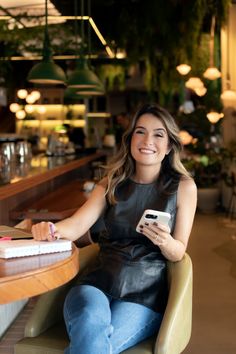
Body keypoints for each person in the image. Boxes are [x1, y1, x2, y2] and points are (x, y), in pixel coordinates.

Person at [31, 103, 197, 354]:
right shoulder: (111, 182)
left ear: (169, 146)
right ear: (130, 139)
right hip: (96, 283)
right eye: (140, 132)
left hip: (145, 295)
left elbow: (178, 252)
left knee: (95, 347)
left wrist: (165, 241)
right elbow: (76, 226)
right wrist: (49, 229)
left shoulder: (184, 188)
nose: (147, 140)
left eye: (158, 134)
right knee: (91, 329)